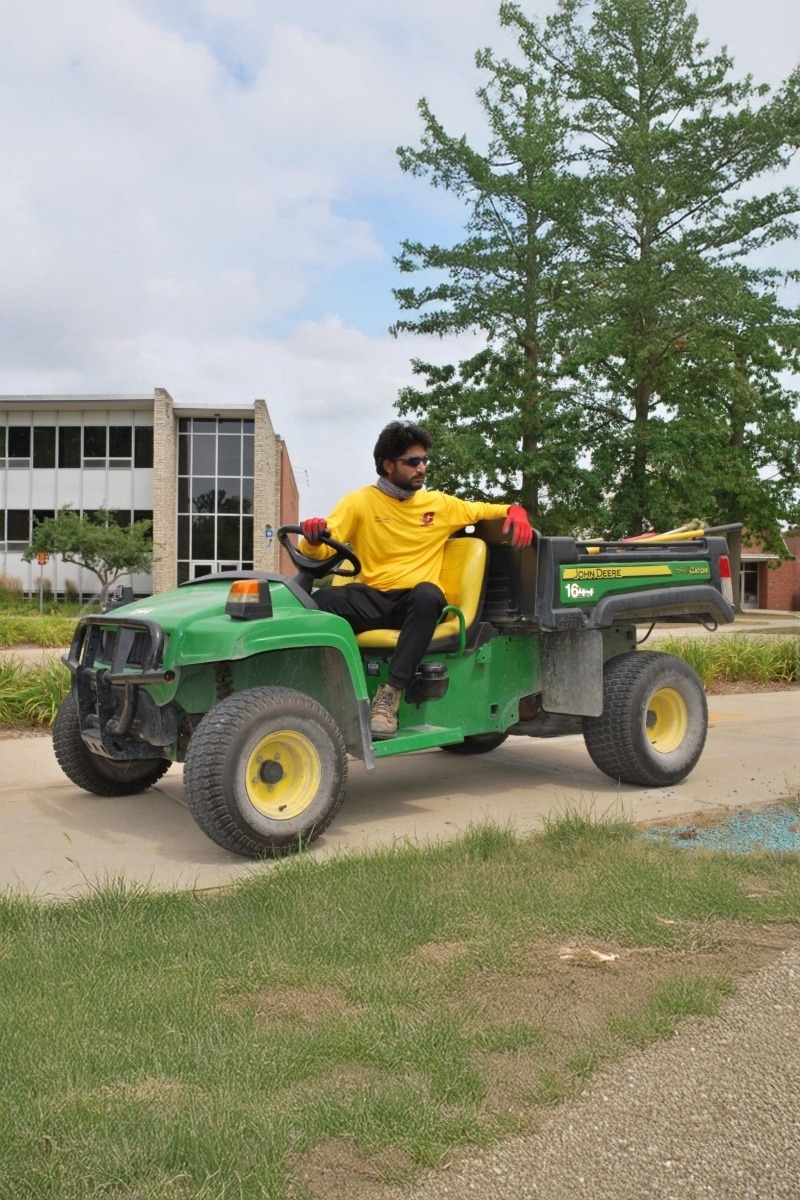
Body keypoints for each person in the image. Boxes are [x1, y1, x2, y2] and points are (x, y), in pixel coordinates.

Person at [299, 420, 534, 740]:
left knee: (428, 595)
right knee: (318, 601)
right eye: (413, 461)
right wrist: (312, 538)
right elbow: (321, 548)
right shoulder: (359, 502)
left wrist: (515, 510)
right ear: (388, 465)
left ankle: (389, 696)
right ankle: (321, 693)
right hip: (374, 597)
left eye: (424, 461)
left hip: (415, 602)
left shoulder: (439, 505)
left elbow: (487, 509)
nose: (421, 467)